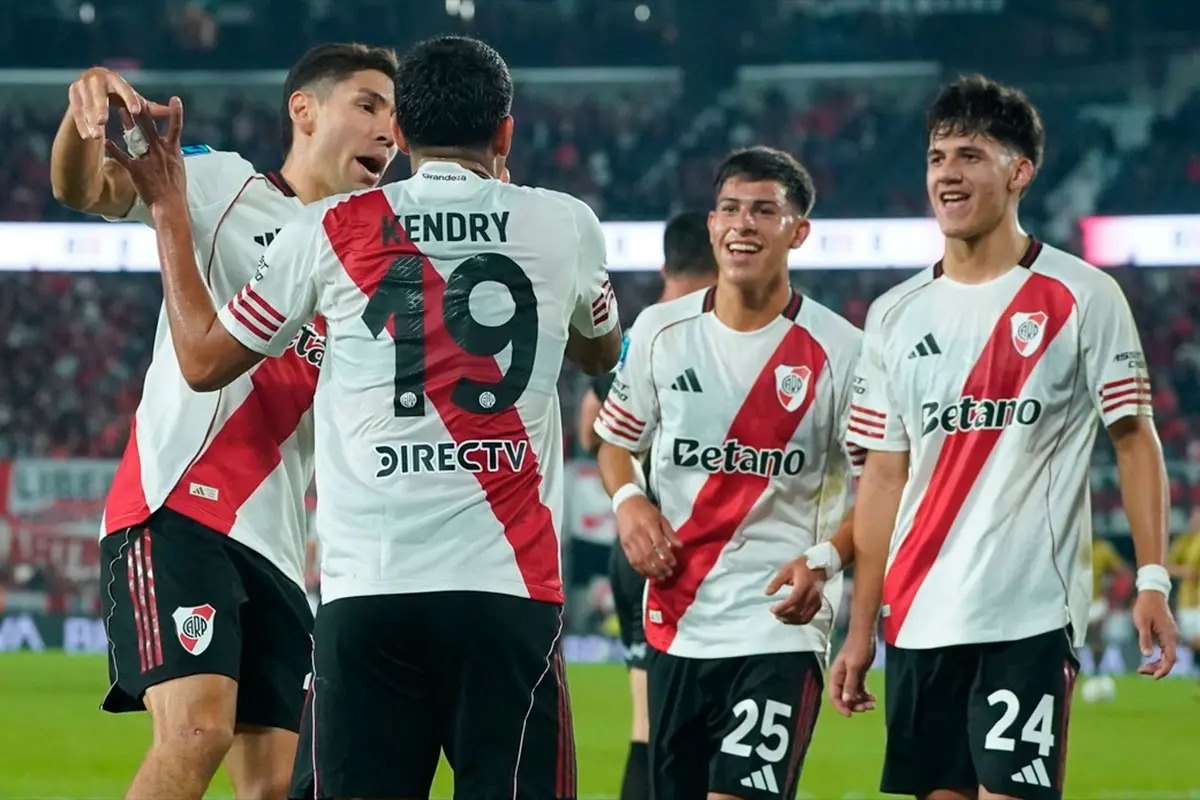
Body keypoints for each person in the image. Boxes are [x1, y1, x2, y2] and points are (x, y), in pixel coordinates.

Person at [106, 34, 622, 800]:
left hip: (370, 593)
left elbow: (204, 360)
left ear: (402, 133)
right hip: (508, 589)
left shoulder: (329, 228)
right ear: (506, 133)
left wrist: (165, 209)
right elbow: (599, 348)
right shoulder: (563, 223)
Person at [49, 43, 399, 800]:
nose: (387, 131)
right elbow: (85, 189)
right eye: (369, 105)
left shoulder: (372, 261)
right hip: (179, 505)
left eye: (396, 118)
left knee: (274, 785)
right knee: (194, 733)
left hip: (279, 546)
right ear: (304, 110)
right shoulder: (222, 183)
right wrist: (84, 117)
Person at [832, 74, 1179, 800]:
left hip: (1027, 614)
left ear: (1020, 172)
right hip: (919, 617)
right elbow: (884, 478)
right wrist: (860, 628)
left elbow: (1133, 437)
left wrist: (1152, 577)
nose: (947, 174)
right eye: (937, 158)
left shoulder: (1083, 295)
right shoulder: (894, 313)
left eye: (970, 156)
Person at [593, 146, 861, 800]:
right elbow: (614, 444)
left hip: (779, 625)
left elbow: (886, 486)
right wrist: (629, 501)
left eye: (764, 211)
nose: (744, 224)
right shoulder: (659, 332)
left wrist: (827, 558)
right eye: (731, 209)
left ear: (798, 231)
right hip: (678, 620)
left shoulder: (842, 351)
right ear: (712, 225)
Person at [576, 210, 718, 800]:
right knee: (708, 731)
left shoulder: (631, 336)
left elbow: (590, 430)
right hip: (698, 547)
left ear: (665, 265)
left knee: (649, 724)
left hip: (636, 544)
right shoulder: (710, 334)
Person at [1082, 536, 1131, 679]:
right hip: (1075, 601)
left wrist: (1116, 591)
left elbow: (1121, 570)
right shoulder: (1072, 544)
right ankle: (1075, 671)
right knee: (1074, 640)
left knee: (1096, 638)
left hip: (1096, 601)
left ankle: (1096, 670)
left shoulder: (1103, 549)